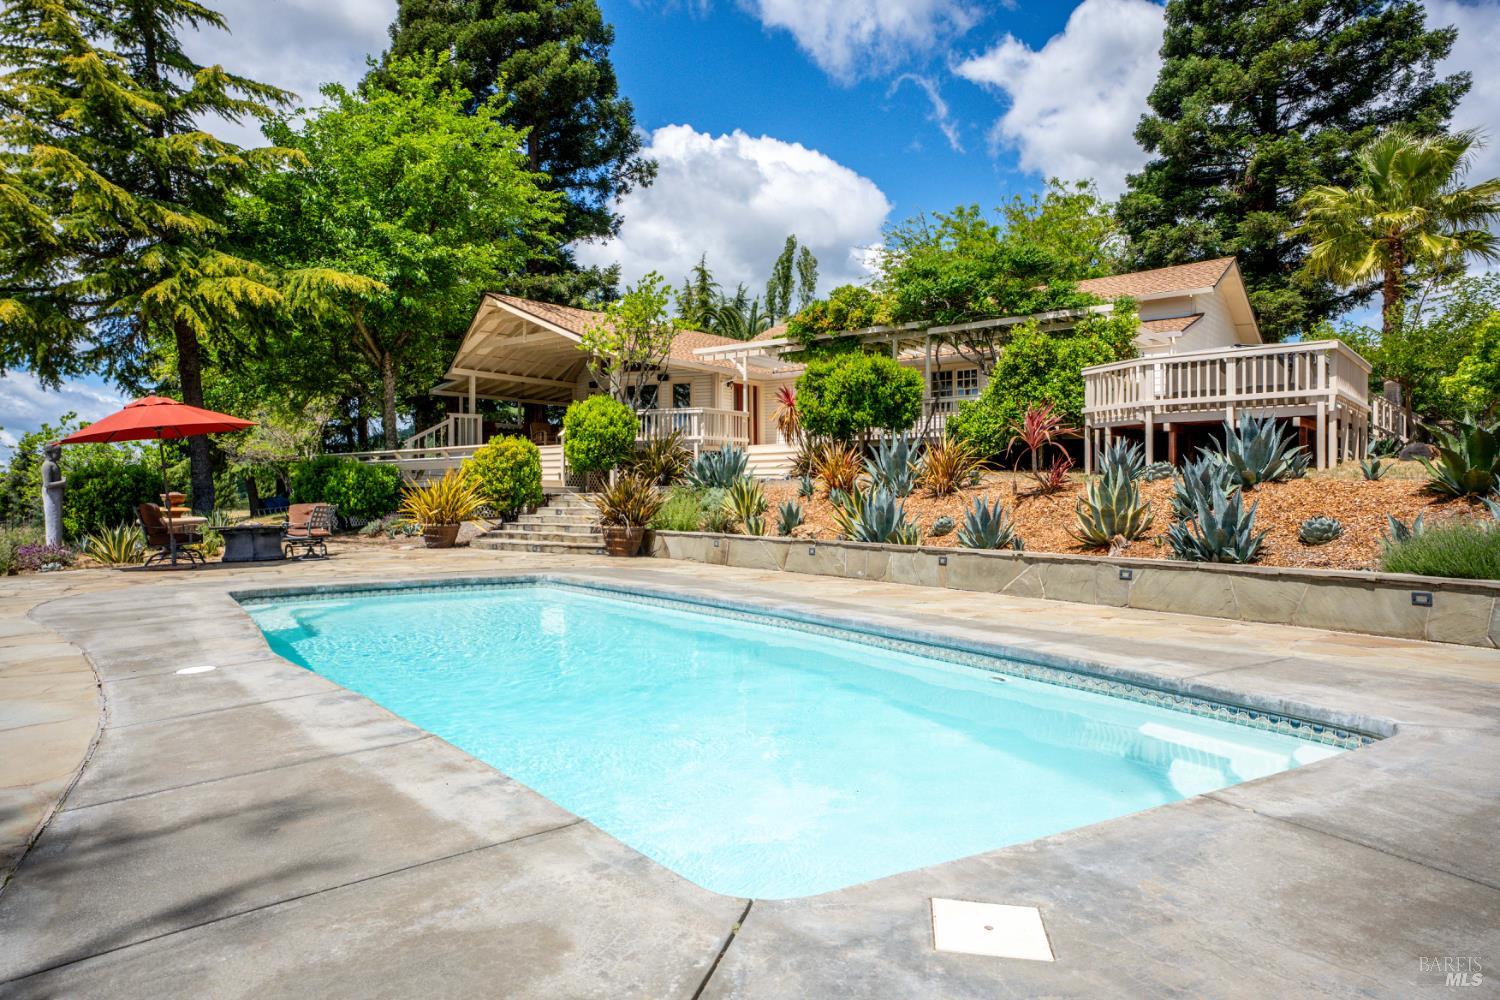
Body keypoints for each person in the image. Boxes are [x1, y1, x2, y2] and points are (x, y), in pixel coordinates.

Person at [41, 443, 65, 547]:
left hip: (56, 495)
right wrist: (62, 483)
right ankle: (53, 547)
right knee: (53, 521)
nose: (60, 455)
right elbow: (47, 484)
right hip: (51, 497)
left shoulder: (53, 464)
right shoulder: (47, 465)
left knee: (57, 521)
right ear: (53, 452)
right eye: (59, 453)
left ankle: (57, 546)